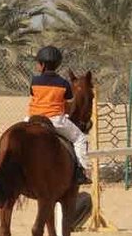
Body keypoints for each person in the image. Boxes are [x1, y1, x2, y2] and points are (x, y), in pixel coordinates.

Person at [27, 45, 91, 184]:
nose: (37, 65)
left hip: (32, 119)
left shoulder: (34, 81)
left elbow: (33, 95)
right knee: (80, 138)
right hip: (55, 119)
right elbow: (68, 102)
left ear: (42, 65)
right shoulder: (63, 83)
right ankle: (82, 171)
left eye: (38, 63)